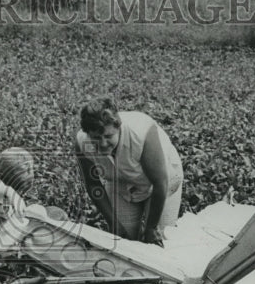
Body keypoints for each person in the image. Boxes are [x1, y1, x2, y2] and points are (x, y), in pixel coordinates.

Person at [74, 95, 183, 245]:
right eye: (96, 138)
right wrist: (113, 223)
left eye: (108, 136)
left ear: (118, 127)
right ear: (88, 134)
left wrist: (151, 228)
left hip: (161, 181)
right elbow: (93, 184)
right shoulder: (82, 142)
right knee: (122, 240)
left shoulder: (141, 132)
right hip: (122, 183)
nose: (103, 143)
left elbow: (160, 183)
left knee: (162, 239)